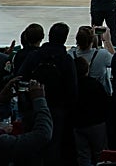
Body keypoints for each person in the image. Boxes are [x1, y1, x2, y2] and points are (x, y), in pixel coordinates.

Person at [18, 21, 77, 164]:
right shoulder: (66, 59)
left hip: (33, 107)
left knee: (32, 147)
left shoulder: (34, 56)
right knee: (53, 147)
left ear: (48, 36)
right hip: (57, 110)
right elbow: (73, 90)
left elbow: (20, 79)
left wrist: (27, 101)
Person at [72, 54, 111, 166]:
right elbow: (105, 102)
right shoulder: (95, 84)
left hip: (78, 124)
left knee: (83, 155)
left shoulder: (73, 86)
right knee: (101, 154)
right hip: (96, 123)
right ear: (87, 69)